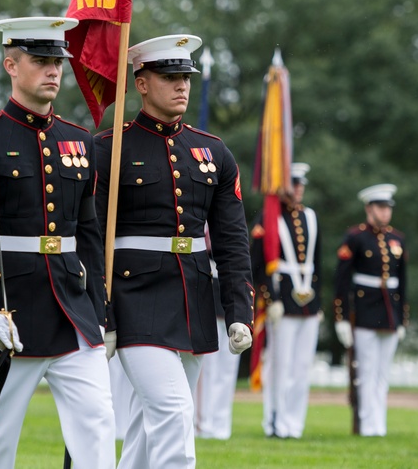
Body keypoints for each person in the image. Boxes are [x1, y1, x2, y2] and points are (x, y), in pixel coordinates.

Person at [0, 16, 115, 469]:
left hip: (73, 313)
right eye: (41, 60)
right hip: (6, 313)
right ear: (10, 65)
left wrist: (102, 313)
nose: (54, 70)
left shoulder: (79, 141)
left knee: (97, 429)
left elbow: (88, 237)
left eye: (58, 61)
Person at [95, 34, 254, 469]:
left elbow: (231, 239)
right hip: (134, 297)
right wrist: (100, 310)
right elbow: (90, 238)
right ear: (141, 83)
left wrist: (239, 308)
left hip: (192, 297)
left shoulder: (213, 152)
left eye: (185, 76)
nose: (181, 85)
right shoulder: (110, 148)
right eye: (169, 77)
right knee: (174, 412)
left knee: (152, 427)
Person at [250, 162, 322, 439]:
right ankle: (275, 421)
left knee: (302, 366)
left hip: (308, 302)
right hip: (281, 301)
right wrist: (270, 299)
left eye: (301, 184)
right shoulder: (268, 220)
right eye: (294, 184)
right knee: (279, 365)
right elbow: (259, 264)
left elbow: (317, 264)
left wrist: (320, 304)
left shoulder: (311, 217)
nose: (299, 189)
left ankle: (295, 423)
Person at [333, 183, 408, 437]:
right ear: (369, 208)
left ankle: (379, 424)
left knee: (382, 373)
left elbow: (403, 283)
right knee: (366, 371)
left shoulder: (397, 238)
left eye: (388, 207)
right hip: (365, 312)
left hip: (390, 313)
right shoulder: (356, 237)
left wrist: (402, 320)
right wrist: (341, 318)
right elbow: (342, 281)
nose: (385, 212)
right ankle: (366, 425)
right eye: (380, 207)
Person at [193, 232, 242, 440]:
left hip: (227, 292)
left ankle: (221, 423)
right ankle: (203, 423)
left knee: (227, 368)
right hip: (206, 290)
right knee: (208, 368)